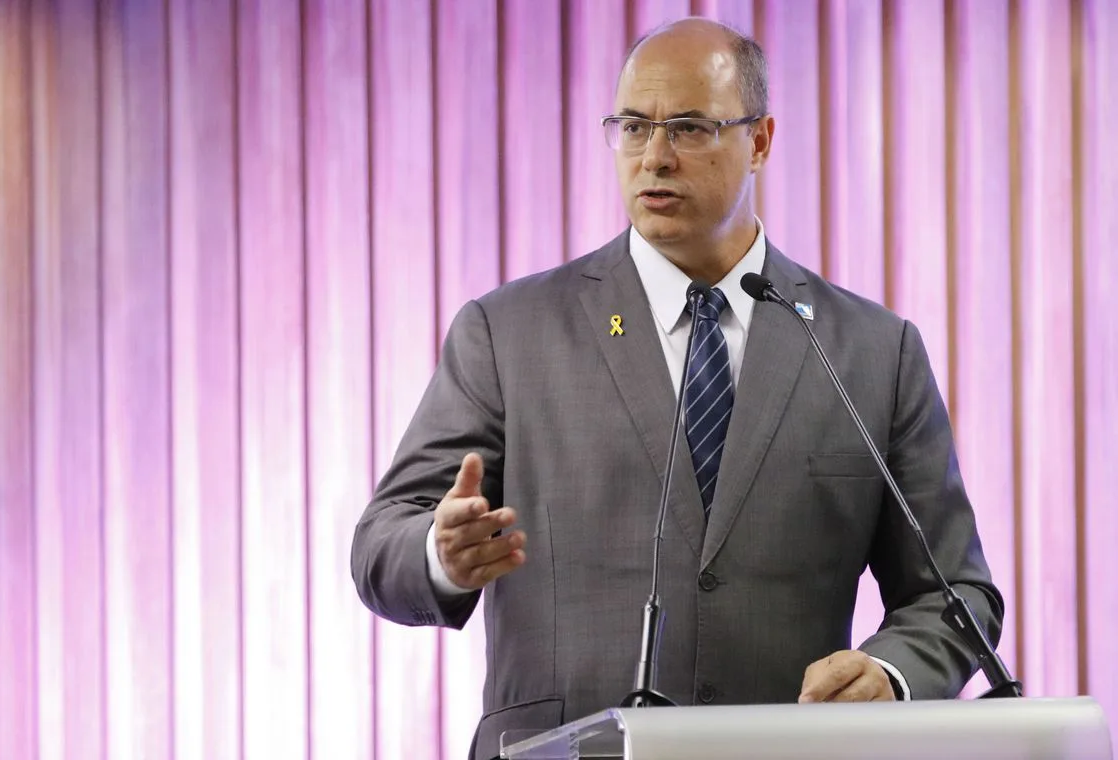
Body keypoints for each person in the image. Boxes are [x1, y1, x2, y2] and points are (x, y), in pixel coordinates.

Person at [352, 17, 1003, 760]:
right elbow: (381, 544)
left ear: (759, 141)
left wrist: (891, 672)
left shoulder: (869, 351)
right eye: (633, 127)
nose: (654, 157)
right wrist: (439, 552)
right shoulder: (508, 333)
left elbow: (956, 595)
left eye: (689, 128)